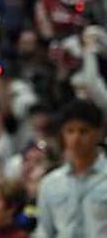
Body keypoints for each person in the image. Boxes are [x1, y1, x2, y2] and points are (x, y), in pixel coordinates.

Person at [34, 99, 107, 238]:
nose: (76, 138)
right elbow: (44, 231)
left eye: (83, 131)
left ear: (98, 133)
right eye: (70, 131)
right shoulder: (50, 183)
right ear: (62, 134)